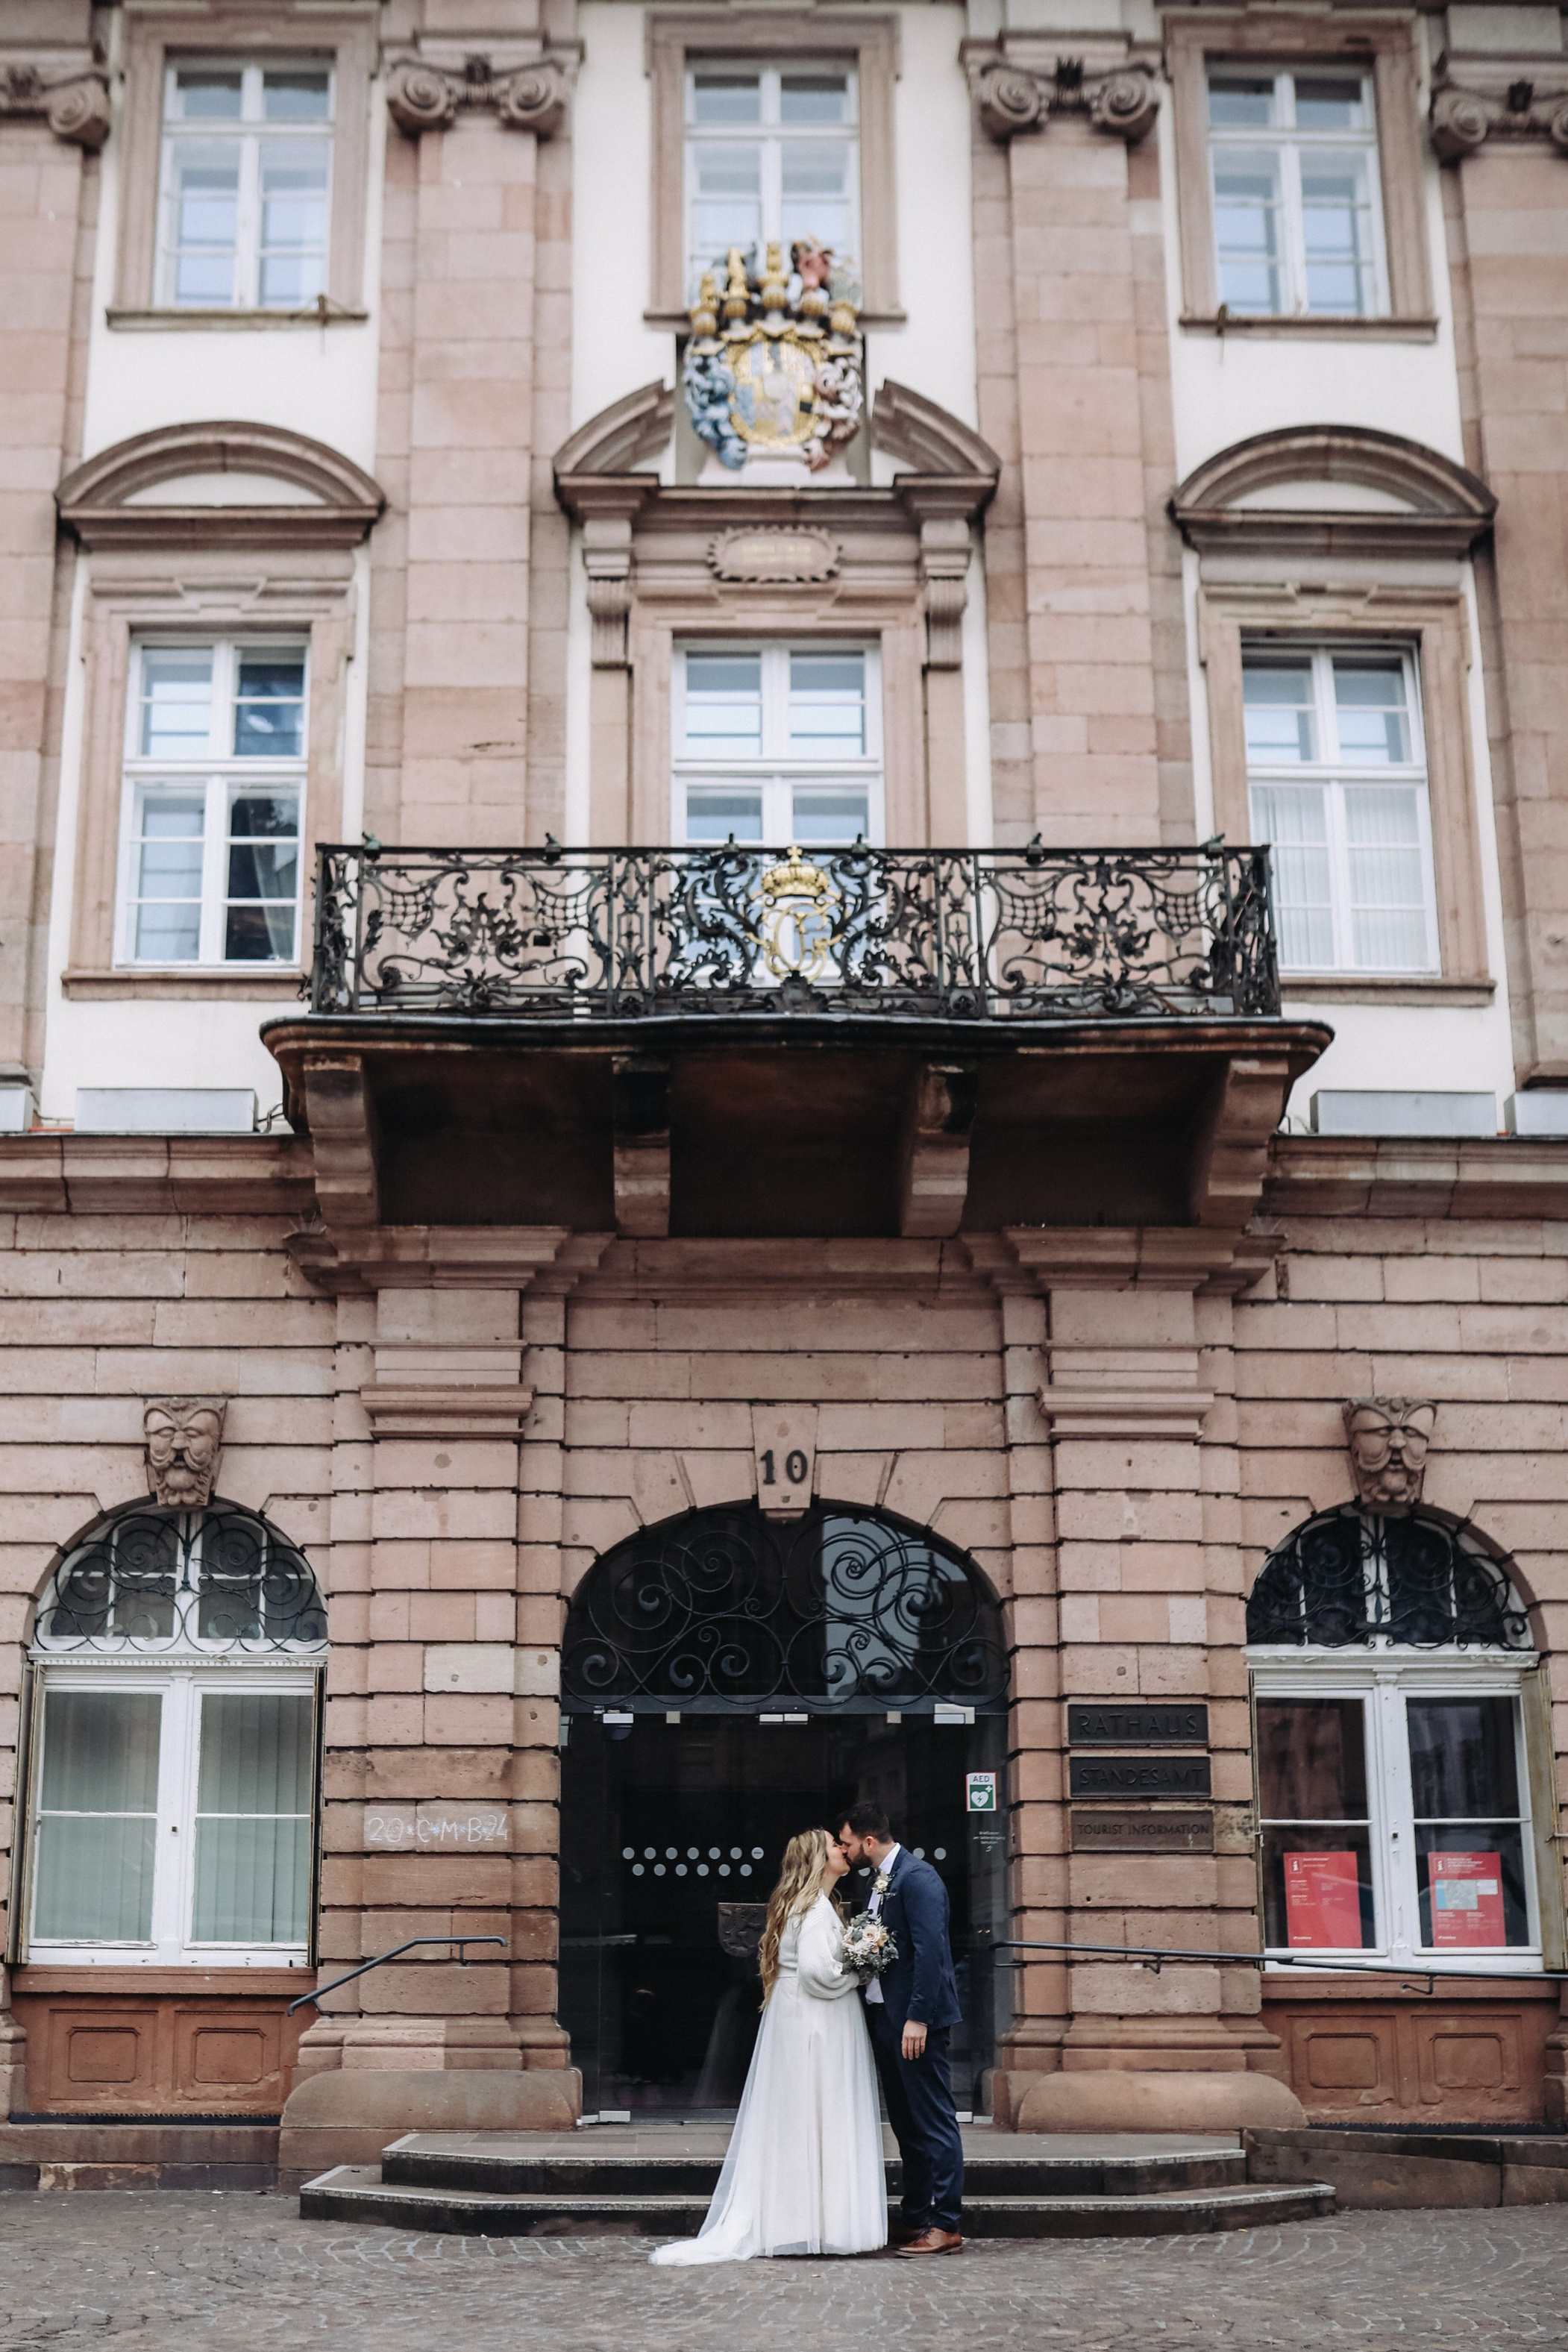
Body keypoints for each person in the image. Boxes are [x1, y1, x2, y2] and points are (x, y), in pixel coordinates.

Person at [648, 1828, 886, 2265]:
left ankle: (800, 2221)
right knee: (819, 2112)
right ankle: (819, 2223)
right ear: (818, 1858)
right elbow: (819, 1974)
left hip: (799, 2017)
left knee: (799, 2118)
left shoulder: (805, 1906)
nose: (842, 1849)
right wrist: (861, 1973)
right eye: (834, 1844)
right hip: (817, 2022)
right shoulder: (815, 1910)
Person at [838, 1801, 965, 2256]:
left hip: (915, 2023)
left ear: (869, 1841)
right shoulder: (881, 1879)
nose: (845, 1850)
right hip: (888, 2019)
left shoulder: (918, 1877)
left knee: (934, 2121)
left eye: (848, 1843)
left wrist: (918, 2018)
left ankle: (947, 2223)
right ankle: (916, 2218)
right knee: (907, 2125)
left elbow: (932, 1953)